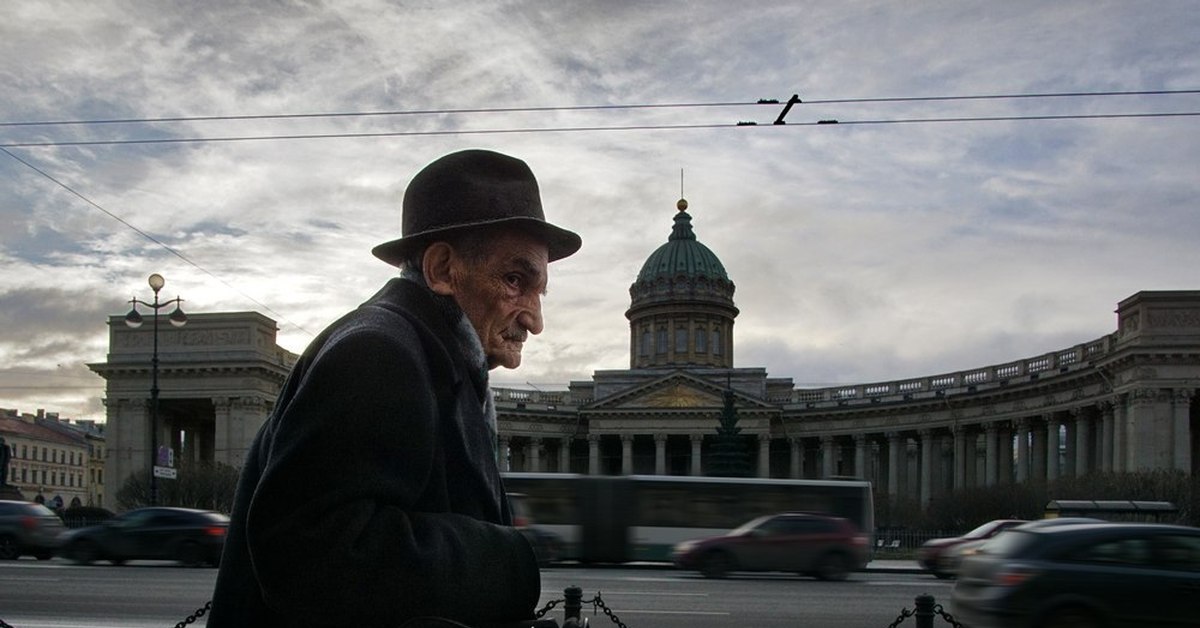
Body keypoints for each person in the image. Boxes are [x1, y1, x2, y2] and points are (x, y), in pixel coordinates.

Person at [208, 149, 582, 628]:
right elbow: (310, 552)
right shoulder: (377, 353)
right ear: (443, 270)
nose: (535, 318)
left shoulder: (427, 357)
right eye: (514, 280)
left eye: (538, 291)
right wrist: (507, 560)